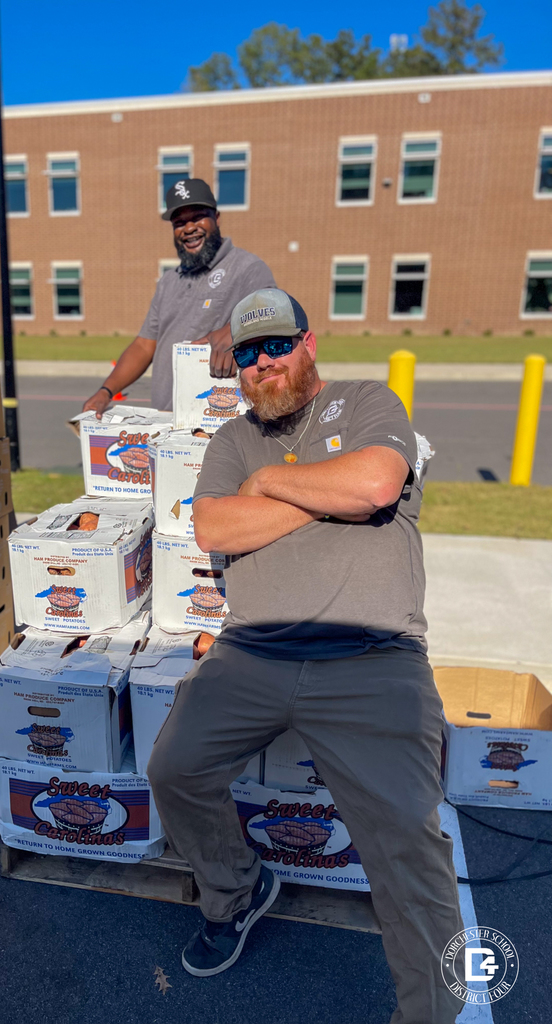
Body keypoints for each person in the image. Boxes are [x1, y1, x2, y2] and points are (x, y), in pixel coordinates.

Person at [147, 287, 465, 1023]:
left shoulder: (364, 402)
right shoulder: (232, 441)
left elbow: (379, 480)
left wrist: (273, 487)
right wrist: (328, 493)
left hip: (372, 657)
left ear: (307, 342)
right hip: (252, 653)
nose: (263, 365)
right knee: (174, 768)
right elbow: (216, 530)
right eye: (248, 355)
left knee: (410, 851)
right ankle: (237, 889)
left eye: (276, 346)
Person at [82, 178, 275, 415]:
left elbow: (273, 311)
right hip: (165, 420)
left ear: (217, 217)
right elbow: (144, 345)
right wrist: (106, 391)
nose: (189, 228)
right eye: (179, 222)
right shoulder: (169, 281)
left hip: (219, 423)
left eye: (198, 217)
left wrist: (238, 328)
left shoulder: (247, 267)